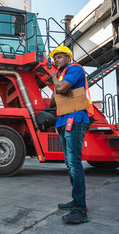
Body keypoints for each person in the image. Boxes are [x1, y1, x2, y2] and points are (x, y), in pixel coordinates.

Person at [49, 46, 93, 224]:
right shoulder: (62, 77)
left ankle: (80, 209)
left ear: (68, 57)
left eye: (60, 57)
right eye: (55, 58)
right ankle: (76, 200)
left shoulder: (74, 69)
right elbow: (53, 100)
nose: (56, 60)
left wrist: (56, 82)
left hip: (74, 119)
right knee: (69, 163)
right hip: (63, 121)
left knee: (74, 163)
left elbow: (59, 90)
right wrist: (59, 87)